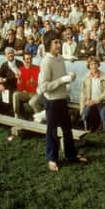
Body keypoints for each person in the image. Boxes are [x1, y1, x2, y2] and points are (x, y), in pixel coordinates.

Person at [37, 30, 87, 172]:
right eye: (56, 42)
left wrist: (68, 81)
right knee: (52, 131)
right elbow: (44, 86)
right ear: (48, 44)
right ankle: (52, 159)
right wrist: (64, 79)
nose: (59, 45)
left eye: (60, 42)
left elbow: (59, 80)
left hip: (61, 99)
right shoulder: (46, 62)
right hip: (51, 101)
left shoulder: (59, 58)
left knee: (67, 129)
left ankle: (71, 155)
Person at [79, 56, 105, 132]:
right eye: (91, 64)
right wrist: (82, 107)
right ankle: (88, 128)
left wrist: (95, 101)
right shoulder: (86, 78)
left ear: (98, 65)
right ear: (89, 66)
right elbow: (82, 94)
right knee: (84, 114)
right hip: (89, 102)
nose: (93, 66)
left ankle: (103, 128)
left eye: (95, 64)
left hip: (102, 102)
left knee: (104, 115)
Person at [0, 47, 24, 113]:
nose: (10, 55)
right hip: (8, 85)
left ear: (14, 54)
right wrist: (0, 83)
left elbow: (17, 76)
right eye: (8, 54)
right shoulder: (4, 65)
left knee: (1, 86)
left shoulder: (19, 63)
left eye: (11, 53)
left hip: (16, 84)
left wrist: (5, 79)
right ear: (5, 55)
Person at [11, 52, 41, 120]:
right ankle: (17, 116)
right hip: (27, 93)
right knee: (16, 94)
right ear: (24, 60)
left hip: (37, 93)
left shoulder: (38, 68)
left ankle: (40, 120)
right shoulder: (21, 70)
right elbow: (20, 88)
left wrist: (34, 83)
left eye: (30, 59)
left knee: (33, 102)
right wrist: (19, 80)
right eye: (27, 59)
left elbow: (42, 84)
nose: (29, 61)